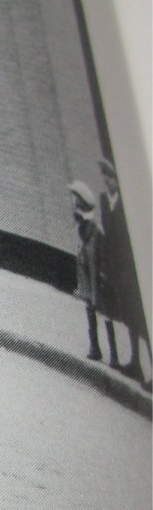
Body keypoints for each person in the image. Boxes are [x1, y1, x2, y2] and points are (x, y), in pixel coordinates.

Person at [94, 158, 149, 384]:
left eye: (111, 178)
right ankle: (135, 363)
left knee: (141, 317)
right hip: (118, 269)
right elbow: (107, 237)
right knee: (128, 316)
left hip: (132, 269)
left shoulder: (128, 203)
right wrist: (106, 268)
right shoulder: (106, 201)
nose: (108, 182)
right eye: (105, 178)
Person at [69, 180, 105, 362]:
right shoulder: (80, 221)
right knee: (89, 310)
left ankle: (110, 352)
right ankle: (95, 347)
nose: (73, 202)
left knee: (104, 313)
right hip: (86, 274)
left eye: (75, 198)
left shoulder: (91, 225)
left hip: (95, 274)